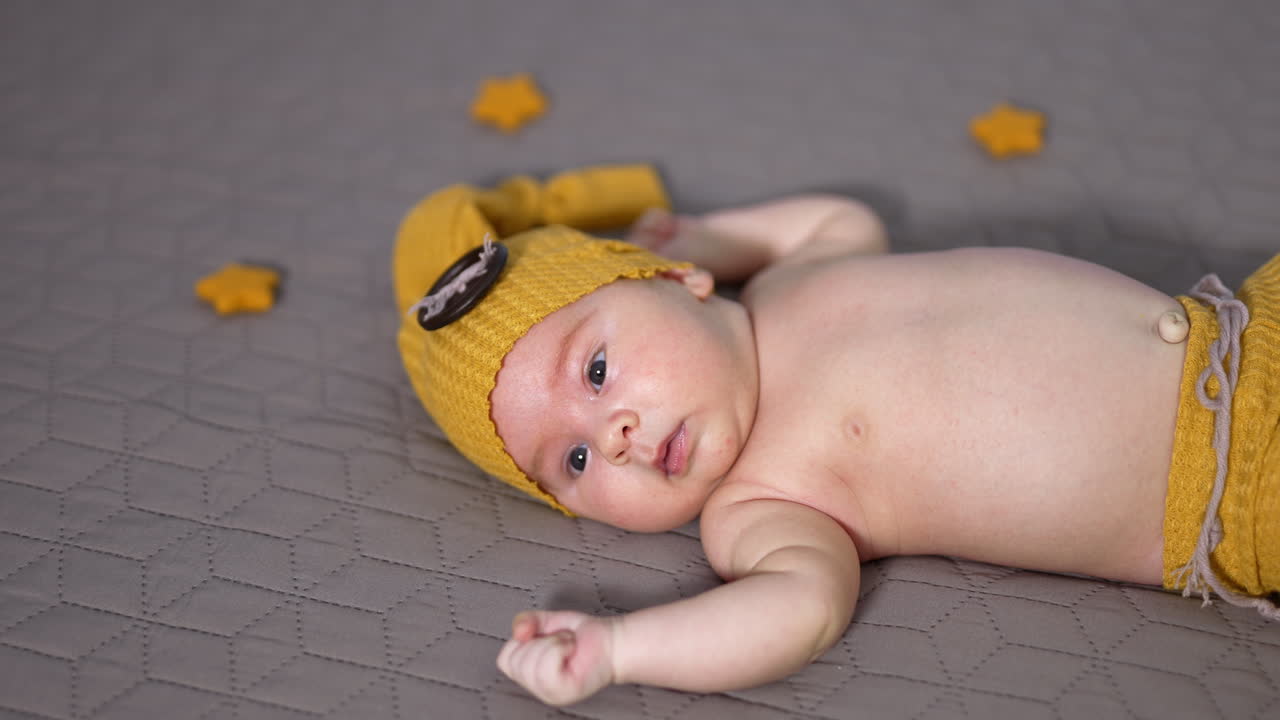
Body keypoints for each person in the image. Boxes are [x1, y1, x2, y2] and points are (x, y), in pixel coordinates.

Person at [392, 164, 1280, 707]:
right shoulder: (757, 504)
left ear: (673, 279)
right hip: (1232, 486)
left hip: (1247, 324)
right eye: (575, 461)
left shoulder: (792, 280)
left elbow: (843, 219)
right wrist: (621, 650)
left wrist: (719, 236)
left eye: (595, 371)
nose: (613, 435)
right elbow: (800, 610)